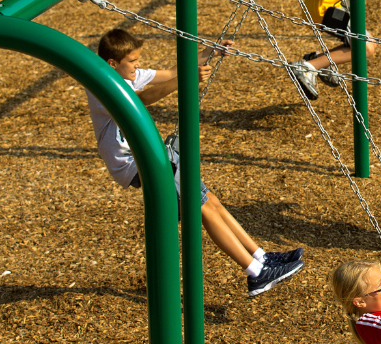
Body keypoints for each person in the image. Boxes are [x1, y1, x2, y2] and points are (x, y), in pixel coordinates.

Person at [87, 28, 305, 297]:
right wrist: (187, 80)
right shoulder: (102, 86)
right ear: (113, 64)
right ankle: (255, 273)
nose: (138, 65)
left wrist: (207, 53)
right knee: (201, 207)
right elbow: (140, 100)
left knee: (210, 200)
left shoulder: (127, 75)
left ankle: (261, 256)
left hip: (151, 154)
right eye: (133, 61)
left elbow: (170, 73)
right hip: (135, 164)